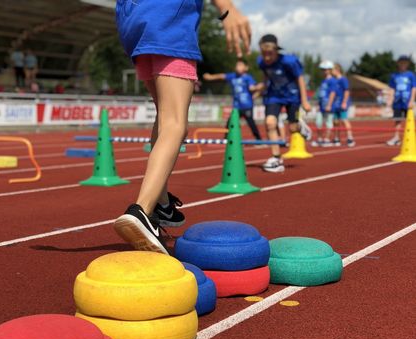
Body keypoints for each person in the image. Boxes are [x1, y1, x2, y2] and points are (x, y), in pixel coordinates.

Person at [113, 0, 251, 253]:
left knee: (165, 116)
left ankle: (161, 203)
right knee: (175, 123)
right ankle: (141, 210)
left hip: (134, 22)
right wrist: (227, 9)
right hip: (168, 21)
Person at [256, 34, 311, 172]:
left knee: (293, 128)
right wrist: (261, 87)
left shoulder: (289, 61)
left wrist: (304, 101)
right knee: (270, 123)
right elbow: (266, 76)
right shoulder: (261, 62)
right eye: (264, 52)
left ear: (276, 50)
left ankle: (301, 127)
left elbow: (300, 79)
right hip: (274, 96)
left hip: (292, 97)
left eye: (269, 52)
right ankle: (276, 158)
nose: (266, 56)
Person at [203, 59, 262, 140]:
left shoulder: (248, 78)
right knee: (230, 122)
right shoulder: (232, 76)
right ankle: (226, 138)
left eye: (240, 65)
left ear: (246, 68)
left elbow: (253, 87)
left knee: (251, 122)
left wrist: (257, 91)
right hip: (236, 106)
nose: (238, 67)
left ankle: (258, 139)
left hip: (247, 105)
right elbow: (221, 76)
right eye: (237, 65)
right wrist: (210, 77)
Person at [386, 55, 416, 146]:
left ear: (407, 64)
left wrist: (411, 100)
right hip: (397, 101)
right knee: (397, 120)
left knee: (410, 120)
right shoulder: (394, 75)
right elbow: (392, 89)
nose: (403, 64)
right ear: (398, 63)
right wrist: (389, 101)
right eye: (401, 62)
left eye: (405, 62)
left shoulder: (410, 75)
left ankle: (411, 138)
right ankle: (396, 138)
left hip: (407, 101)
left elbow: (414, 88)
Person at [313, 60, 337, 147]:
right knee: (318, 122)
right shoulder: (323, 81)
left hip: (328, 105)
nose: (324, 71)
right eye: (322, 70)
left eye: (326, 69)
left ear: (330, 70)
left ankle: (326, 139)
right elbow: (320, 93)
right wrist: (318, 104)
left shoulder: (333, 81)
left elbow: (333, 93)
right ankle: (319, 139)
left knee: (328, 122)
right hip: (321, 105)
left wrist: (329, 104)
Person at [332, 63, 355, 147]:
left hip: (342, 103)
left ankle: (350, 137)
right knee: (335, 121)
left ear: (337, 70)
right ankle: (337, 137)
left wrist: (344, 102)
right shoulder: (334, 80)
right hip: (335, 103)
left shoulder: (343, 79)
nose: (331, 72)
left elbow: (346, 91)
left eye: (333, 70)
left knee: (344, 120)